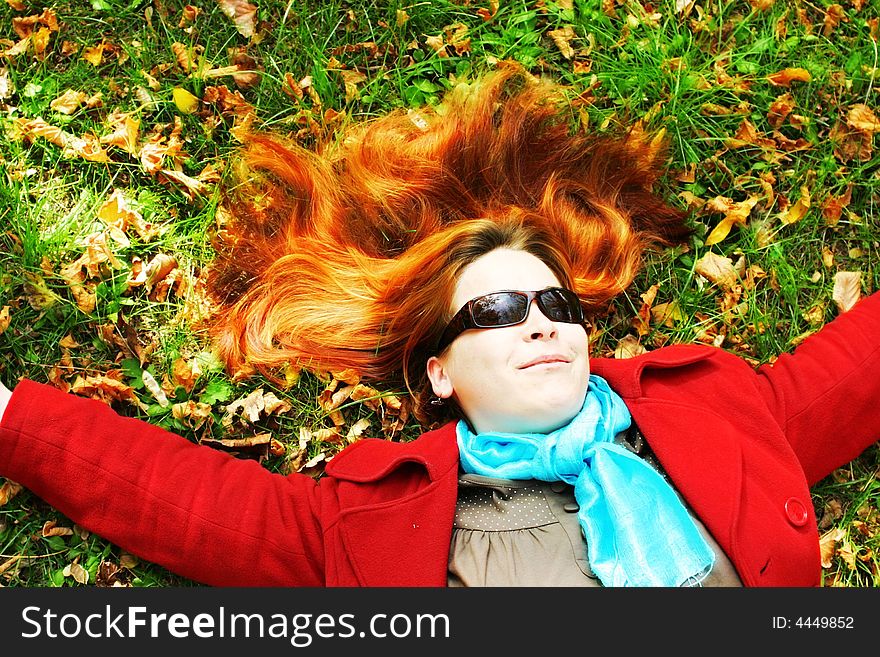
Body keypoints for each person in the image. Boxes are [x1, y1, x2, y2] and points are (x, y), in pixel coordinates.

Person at [0, 62, 878, 587]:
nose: (539, 323)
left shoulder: (718, 412)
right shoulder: (379, 525)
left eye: (555, 305)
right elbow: (185, 502)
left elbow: (858, 365)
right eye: (497, 310)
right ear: (439, 373)